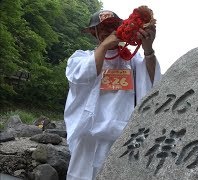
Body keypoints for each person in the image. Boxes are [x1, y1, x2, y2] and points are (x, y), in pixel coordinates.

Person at [64, 9, 161, 180]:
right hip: (88, 137)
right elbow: (81, 76)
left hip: (122, 136)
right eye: (104, 29)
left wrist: (148, 49)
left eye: (114, 27)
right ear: (94, 33)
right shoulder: (80, 58)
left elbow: (153, 84)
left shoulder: (133, 60)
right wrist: (103, 46)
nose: (111, 32)